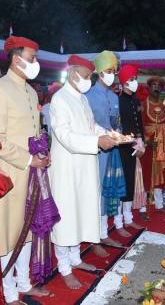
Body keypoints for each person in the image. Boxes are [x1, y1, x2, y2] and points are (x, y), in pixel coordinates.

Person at [0, 36, 50, 304]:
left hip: (33, 173)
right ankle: (8, 292)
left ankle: (24, 281)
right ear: (16, 58)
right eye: (32, 58)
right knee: (9, 233)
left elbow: (34, 131)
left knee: (29, 228)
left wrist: (43, 151)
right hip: (10, 173)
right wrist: (27, 159)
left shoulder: (31, 91)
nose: (36, 63)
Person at [49, 54, 117, 289]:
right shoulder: (60, 99)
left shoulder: (82, 99)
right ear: (73, 73)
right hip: (67, 168)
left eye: (90, 77)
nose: (88, 81)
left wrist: (106, 134)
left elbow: (91, 126)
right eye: (86, 76)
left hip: (84, 166)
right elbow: (65, 136)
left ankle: (76, 259)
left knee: (80, 211)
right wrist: (96, 142)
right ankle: (64, 267)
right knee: (66, 216)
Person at [85, 50, 123, 256]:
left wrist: (122, 136)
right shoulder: (88, 96)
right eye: (109, 71)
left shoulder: (113, 95)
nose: (113, 75)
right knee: (96, 191)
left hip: (113, 150)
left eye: (114, 71)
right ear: (99, 72)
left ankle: (102, 231)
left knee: (109, 190)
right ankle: (93, 238)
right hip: (96, 151)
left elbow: (117, 123)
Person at [116, 64, 145, 233]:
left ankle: (129, 217)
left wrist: (142, 142)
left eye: (135, 79)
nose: (135, 82)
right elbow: (120, 125)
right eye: (132, 79)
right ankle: (119, 222)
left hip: (134, 146)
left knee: (131, 181)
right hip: (121, 147)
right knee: (123, 182)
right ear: (124, 81)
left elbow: (138, 123)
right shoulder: (118, 100)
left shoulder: (135, 100)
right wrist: (131, 141)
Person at [141, 76, 165, 214]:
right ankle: (142, 206)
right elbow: (140, 125)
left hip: (161, 146)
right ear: (148, 88)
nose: (156, 88)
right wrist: (147, 140)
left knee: (160, 174)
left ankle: (159, 205)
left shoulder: (164, 107)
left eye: (159, 86)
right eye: (153, 85)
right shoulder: (143, 104)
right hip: (147, 145)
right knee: (145, 173)